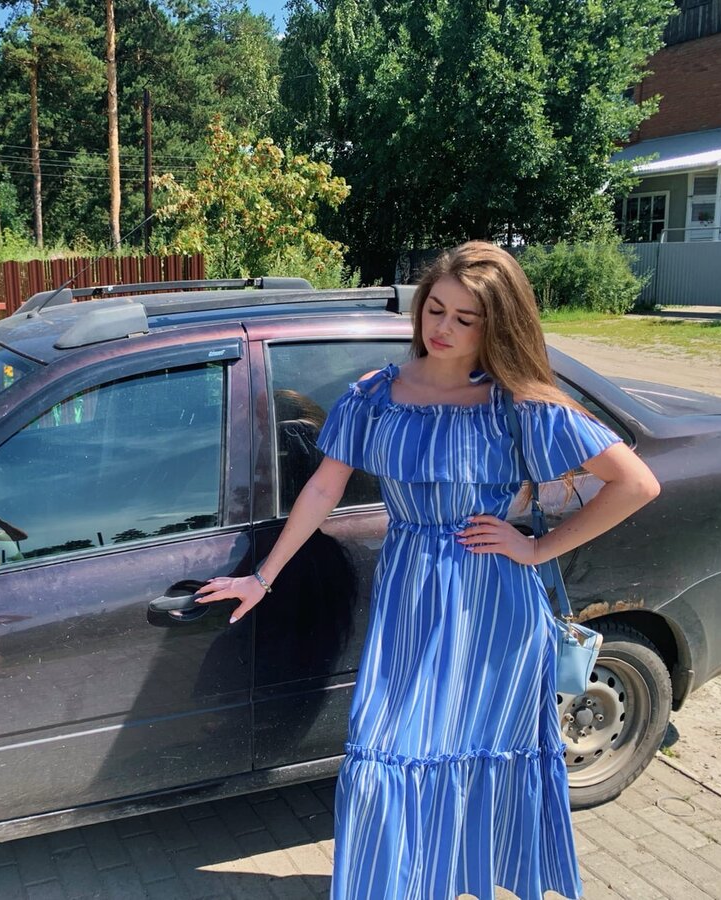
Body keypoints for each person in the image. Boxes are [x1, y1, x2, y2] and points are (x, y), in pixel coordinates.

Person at [196, 241, 660, 900]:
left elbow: (636, 484)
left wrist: (536, 549)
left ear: (497, 325)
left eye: (465, 319)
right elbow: (324, 488)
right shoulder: (375, 396)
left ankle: (454, 878)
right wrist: (262, 576)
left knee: (476, 751)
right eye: (435, 309)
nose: (442, 328)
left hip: (495, 609)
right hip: (411, 598)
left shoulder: (518, 404)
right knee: (388, 749)